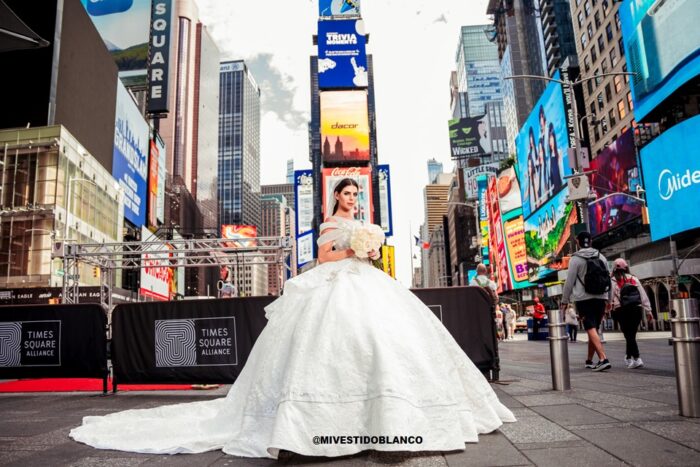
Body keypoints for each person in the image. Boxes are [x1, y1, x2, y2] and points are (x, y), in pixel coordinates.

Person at [69, 178, 515, 459]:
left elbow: (372, 255)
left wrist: (370, 250)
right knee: (330, 344)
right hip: (334, 281)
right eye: (347, 194)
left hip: (367, 280)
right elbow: (323, 258)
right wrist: (352, 247)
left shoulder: (368, 224)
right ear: (336, 197)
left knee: (388, 339)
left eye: (356, 194)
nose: (352, 199)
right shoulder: (328, 223)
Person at [561, 231, 612, 371]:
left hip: (584, 299)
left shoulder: (575, 259)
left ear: (577, 242)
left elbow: (569, 282)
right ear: (590, 241)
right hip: (601, 297)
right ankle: (589, 360)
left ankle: (603, 358)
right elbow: (609, 279)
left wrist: (564, 301)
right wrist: (610, 299)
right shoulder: (601, 256)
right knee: (593, 329)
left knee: (590, 327)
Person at [610, 258, 653, 369]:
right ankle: (629, 357)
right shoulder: (634, 278)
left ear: (614, 268)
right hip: (636, 309)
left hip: (621, 310)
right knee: (631, 335)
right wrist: (648, 310)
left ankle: (637, 358)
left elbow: (610, 297)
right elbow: (643, 295)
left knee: (628, 335)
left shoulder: (613, 280)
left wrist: (607, 309)